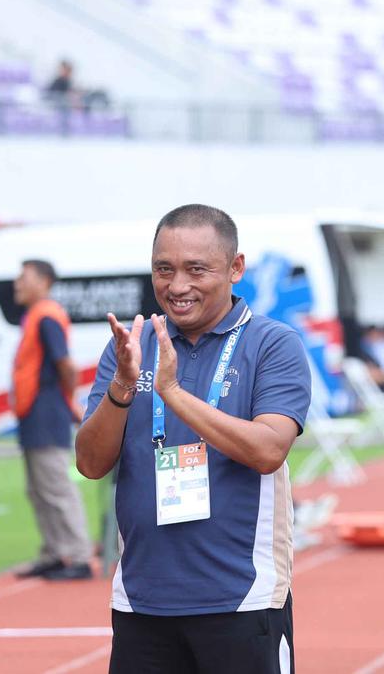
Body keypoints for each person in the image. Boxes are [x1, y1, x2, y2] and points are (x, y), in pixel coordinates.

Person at [76, 204, 311, 674]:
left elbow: (267, 450)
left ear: (235, 268)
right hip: (142, 602)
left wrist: (172, 393)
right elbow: (90, 462)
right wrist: (123, 386)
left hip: (242, 599)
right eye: (164, 269)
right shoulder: (131, 345)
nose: (177, 286)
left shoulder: (271, 343)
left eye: (195, 269)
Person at [11, 259, 93, 581]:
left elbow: (66, 365)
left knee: (56, 486)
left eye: (24, 277)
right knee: (38, 489)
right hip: (34, 412)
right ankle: (54, 551)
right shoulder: (34, 316)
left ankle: (79, 555)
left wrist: (67, 401)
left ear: (43, 282)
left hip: (47, 411)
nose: (17, 283)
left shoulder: (46, 317)